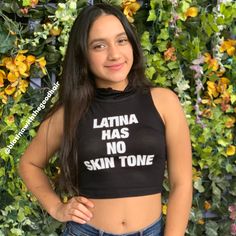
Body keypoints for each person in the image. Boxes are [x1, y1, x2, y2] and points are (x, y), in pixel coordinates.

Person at [19, 3, 192, 236]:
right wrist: (57, 208)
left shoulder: (164, 102)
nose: (114, 54)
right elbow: (29, 164)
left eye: (121, 40)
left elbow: (182, 183)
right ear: (83, 54)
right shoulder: (69, 113)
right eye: (99, 45)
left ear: (132, 44)